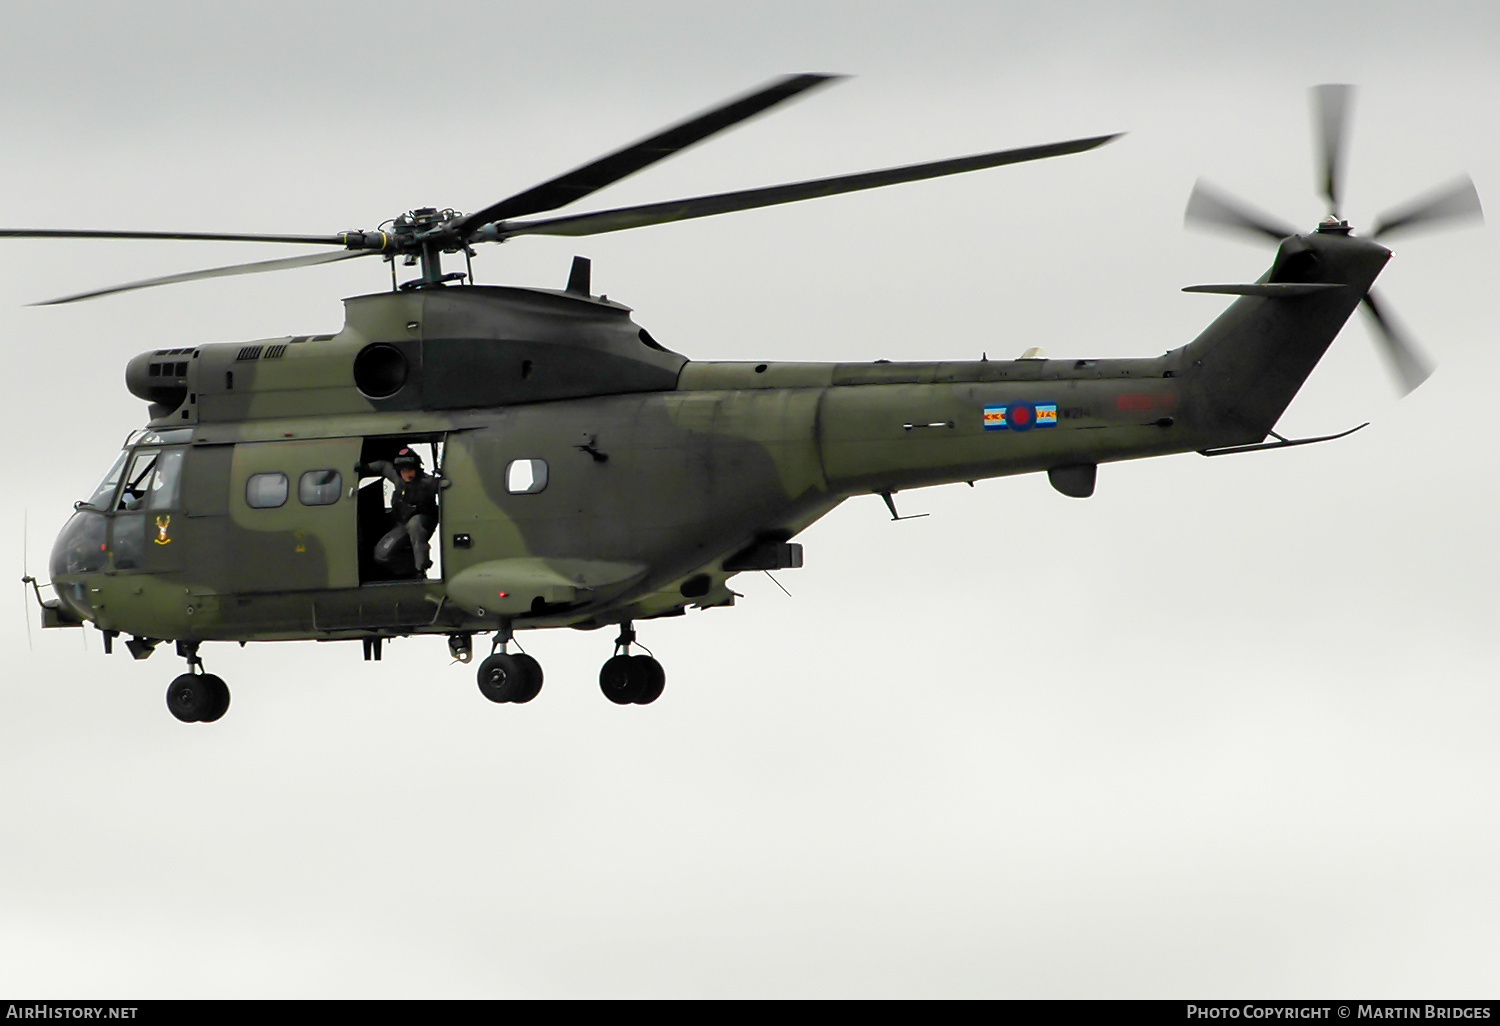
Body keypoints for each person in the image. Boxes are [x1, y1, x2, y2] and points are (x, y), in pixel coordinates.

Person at [357, 447, 440, 576]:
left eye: (410, 470)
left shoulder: (428, 482)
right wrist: (366, 467)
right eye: (403, 470)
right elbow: (384, 466)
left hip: (422, 522)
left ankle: (420, 568)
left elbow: (444, 486)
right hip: (403, 522)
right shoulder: (398, 479)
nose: (407, 474)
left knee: (415, 524)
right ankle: (410, 569)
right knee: (381, 554)